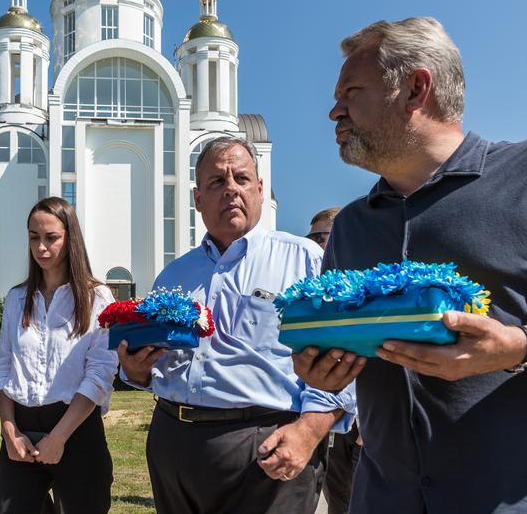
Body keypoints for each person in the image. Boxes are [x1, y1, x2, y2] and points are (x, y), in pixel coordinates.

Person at [292, 16, 527, 512]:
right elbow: (339, 349)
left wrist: (520, 345)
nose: (334, 110)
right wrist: (320, 369)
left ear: (416, 88)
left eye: (351, 91)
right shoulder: (353, 226)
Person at [118, 136, 357, 514]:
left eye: (241, 178)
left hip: (265, 445)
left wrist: (309, 431)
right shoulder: (174, 275)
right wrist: (136, 371)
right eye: (216, 182)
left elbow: (346, 357)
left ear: (260, 190)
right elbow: (154, 364)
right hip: (173, 442)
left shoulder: (304, 261)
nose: (230, 189)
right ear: (197, 199)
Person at [0, 197, 118, 514]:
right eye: (34, 237)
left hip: (76, 428)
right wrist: (9, 431)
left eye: (51, 238)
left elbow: (100, 373)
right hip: (21, 431)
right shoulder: (18, 298)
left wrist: (59, 437)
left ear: (70, 238)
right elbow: (4, 367)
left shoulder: (96, 297)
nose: (41, 247)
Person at [306, 207, 361, 514]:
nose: (313, 244)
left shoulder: (369, 288)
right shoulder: (317, 296)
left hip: (365, 423)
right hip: (332, 421)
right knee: (339, 503)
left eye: (319, 236)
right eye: (310, 236)